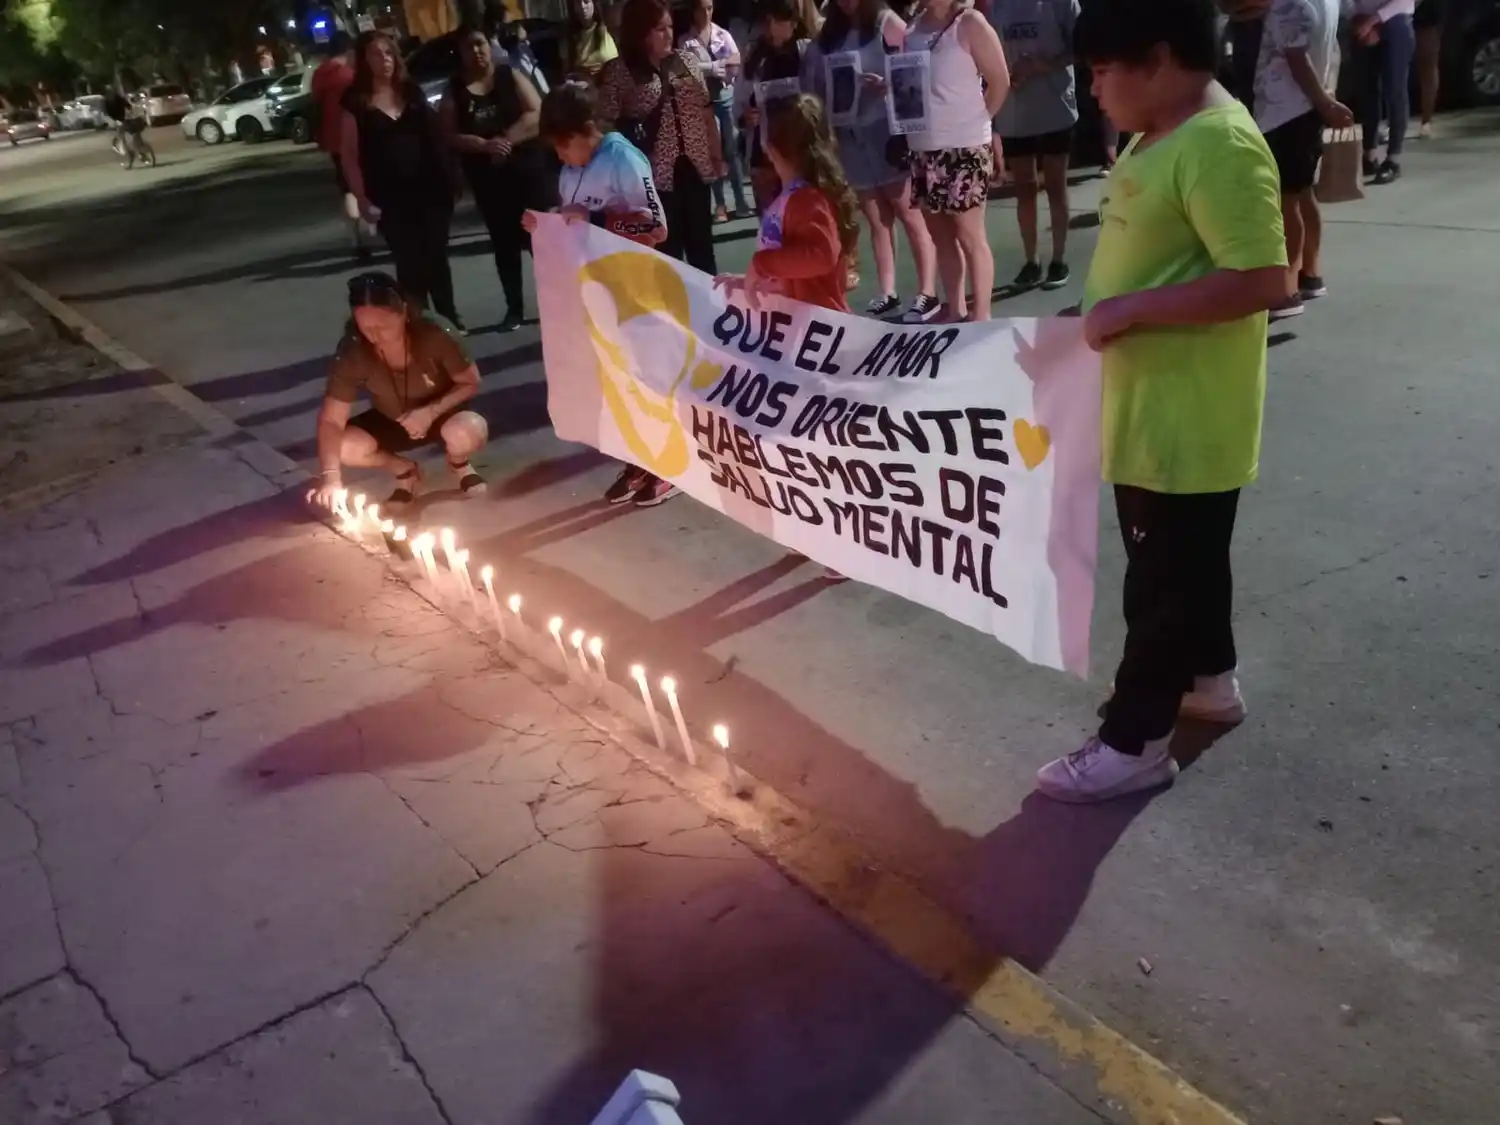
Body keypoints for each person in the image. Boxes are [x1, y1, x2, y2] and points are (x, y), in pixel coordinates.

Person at [1034, 0, 1288, 803]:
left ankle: (1135, 739)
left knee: (1159, 585)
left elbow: (1262, 280)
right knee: (1186, 568)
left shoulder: (1219, 144)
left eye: (1104, 72)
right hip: (1150, 410)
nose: (1095, 90)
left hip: (1185, 420)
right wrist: (1099, 310)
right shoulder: (1161, 133)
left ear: (1162, 59)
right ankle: (1209, 682)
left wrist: (1129, 310)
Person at [524, 83, 677, 508]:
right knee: (613, 382)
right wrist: (549, 227)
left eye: (563, 146)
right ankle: (637, 458)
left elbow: (656, 228)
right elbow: (574, 221)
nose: (560, 157)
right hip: (595, 290)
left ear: (586, 130)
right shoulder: (571, 168)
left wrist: (592, 217)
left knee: (646, 380)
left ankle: (668, 464)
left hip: (635, 288)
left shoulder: (622, 159)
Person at [311, 272, 489, 513]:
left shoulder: (434, 333)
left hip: (443, 413)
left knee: (469, 430)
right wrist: (331, 479)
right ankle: (405, 471)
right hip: (391, 417)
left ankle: (459, 463)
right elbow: (331, 419)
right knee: (344, 446)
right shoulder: (353, 350)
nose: (375, 336)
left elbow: (471, 382)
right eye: (366, 328)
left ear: (404, 312)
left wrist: (429, 412)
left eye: (383, 326)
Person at [811, 0, 941, 321]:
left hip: (888, 134)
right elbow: (818, 82)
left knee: (909, 214)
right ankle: (888, 292)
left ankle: (928, 292)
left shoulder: (885, 21)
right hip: (851, 138)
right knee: (876, 218)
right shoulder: (829, 34)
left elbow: (913, 65)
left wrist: (887, 87)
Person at [340, 30, 466, 333]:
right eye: (374, 54)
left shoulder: (411, 93)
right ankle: (418, 320)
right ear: (363, 60)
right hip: (389, 196)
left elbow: (434, 138)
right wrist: (362, 199)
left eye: (387, 53)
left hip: (430, 189)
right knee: (409, 262)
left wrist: (451, 179)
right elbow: (349, 156)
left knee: (436, 255)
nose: (383, 60)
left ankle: (448, 318)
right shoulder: (356, 104)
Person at [440, 25, 555, 333]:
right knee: (504, 246)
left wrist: (506, 138)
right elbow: (448, 134)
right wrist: (481, 144)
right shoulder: (455, 90)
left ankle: (557, 304)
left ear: (489, 47)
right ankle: (514, 309)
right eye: (469, 47)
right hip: (489, 178)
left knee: (541, 244)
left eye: (480, 44)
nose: (476, 51)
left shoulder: (509, 75)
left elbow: (537, 112)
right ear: (461, 54)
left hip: (528, 173)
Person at [598, 0, 726, 274]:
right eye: (659, 29)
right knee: (668, 258)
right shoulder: (619, 73)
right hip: (654, 179)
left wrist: (717, 155)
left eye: (670, 26)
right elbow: (605, 127)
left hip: (695, 170)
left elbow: (705, 112)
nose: (668, 34)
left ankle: (710, 313)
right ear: (640, 32)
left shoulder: (686, 61)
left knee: (703, 252)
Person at [904, 0, 1010, 322]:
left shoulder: (970, 22)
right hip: (923, 147)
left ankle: (981, 315)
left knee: (969, 234)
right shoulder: (911, 29)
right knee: (940, 235)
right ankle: (955, 308)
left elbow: (1000, 81)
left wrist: (980, 122)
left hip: (964, 146)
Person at [715, 93, 860, 311]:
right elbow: (797, 271)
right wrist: (750, 281)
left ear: (771, 147)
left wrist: (761, 264)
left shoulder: (806, 199)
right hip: (800, 323)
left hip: (817, 326)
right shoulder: (793, 196)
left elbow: (821, 256)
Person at [1254, 0, 1351, 320]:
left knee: (1286, 201)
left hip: (1284, 112)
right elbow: (1331, 48)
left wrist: (1324, 102)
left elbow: (1296, 57)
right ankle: (1311, 273)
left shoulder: (1290, 3)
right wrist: (1327, 98)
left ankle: (1287, 288)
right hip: (1306, 109)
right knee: (1302, 193)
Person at [988, 0, 1082, 291]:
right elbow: (991, 53)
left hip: (1055, 108)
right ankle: (1031, 261)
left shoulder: (1062, 3)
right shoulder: (998, 6)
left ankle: (1059, 259)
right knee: (1024, 188)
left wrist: (1041, 65)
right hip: (1015, 112)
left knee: (1055, 184)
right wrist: (1004, 74)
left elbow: (1081, 48)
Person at [733, 0, 814, 212]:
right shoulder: (753, 55)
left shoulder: (807, 52)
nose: (770, 28)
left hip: (802, 154)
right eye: (766, 21)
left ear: (793, 22)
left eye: (777, 21)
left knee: (805, 223)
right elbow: (738, 106)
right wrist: (745, 117)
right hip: (764, 157)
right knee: (772, 228)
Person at [679, 0, 752, 221]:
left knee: (732, 152)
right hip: (703, 105)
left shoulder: (722, 34)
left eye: (710, 8)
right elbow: (686, 67)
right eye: (702, 8)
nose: (706, 13)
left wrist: (722, 67)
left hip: (726, 100)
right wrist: (714, 68)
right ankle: (720, 204)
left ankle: (741, 201)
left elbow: (736, 59)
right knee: (713, 154)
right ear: (693, 10)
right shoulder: (686, 41)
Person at [311, 32, 373, 260]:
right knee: (373, 180)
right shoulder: (354, 71)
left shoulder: (320, 74)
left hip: (335, 139)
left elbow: (315, 106)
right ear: (348, 49)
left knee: (347, 189)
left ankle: (356, 240)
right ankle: (379, 228)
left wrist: (319, 135)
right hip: (362, 134)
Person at [1351, 0, 1416, 183]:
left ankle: (1393, 159)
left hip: (1395, 19)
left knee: (1394, 91)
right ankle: (1369, 156)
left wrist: (1375, 20)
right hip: (1361, 20)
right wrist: (1356, 19)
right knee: (1367, 91)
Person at [560, 0, 620, 82]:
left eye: (586, 1)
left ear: (594, 4)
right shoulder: (573, 35)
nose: (582, 6)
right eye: (578, 3)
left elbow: (611, 60)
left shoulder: (603, 30)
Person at [1413, 0, 1444, 138]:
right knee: (1394, 66)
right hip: (1394, 9)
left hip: (1426, 12)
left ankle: (1426, 121)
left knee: (1427, 64)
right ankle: (1394, 121)